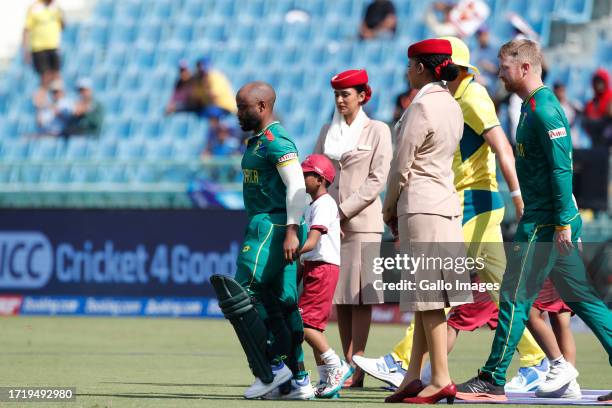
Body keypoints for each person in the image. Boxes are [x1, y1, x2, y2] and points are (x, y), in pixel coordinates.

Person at [354, 36, 548, 394]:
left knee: (433, 289)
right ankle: (537, 360)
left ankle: (406, 362)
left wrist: (518, 194)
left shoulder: (468, 98)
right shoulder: (453, 101)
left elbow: (500, 147)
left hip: (471, 201)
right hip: (456, 200)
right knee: (489, 287)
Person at [456, 39, 612, 402]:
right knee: (584, 301)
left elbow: (562, 169)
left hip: (546, 222)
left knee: (512, 297)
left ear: (525, 68)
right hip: (548, 219)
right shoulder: (530, 107)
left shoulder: (544, 110)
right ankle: (505, 375)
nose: (500, 73)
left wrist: (561, 224)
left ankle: (492, 378)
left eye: (505, 67)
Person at [210, 81, 312, 400]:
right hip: (273, 225)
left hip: (273, 224)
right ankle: (299, 379)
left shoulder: (275, 140)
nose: (238, 113)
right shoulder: (256, 141)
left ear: (262, 107)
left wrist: (292, 230)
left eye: (243, 107)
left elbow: (297, 185)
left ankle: (270, 369)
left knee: (239, 295)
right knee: (280, 302)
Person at [382, 38, 465, 404]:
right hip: (446, 206)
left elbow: (402, 165)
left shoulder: (421, 107)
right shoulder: (451, 104)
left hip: (421, 206)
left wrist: (388, 208)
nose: (406, 71)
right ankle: (413, 376)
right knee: (429, 296)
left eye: (410, 65)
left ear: (420, 68)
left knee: (428, 296)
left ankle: (440, 378)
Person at [313, 69, 392, 387]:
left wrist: (340, 212)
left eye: (346, 94)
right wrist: (324, 214)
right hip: (333, 224)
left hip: (361, 223)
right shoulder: (326, 131)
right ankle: (348, 367)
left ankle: (356, 363)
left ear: (363, 96)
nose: (340, 99)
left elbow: (377, 180)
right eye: (337, 94)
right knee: (341, 296)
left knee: (361, 296)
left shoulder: (377, 130)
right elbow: (317, 172)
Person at [297, 154, 352, 398]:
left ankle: (336, 366)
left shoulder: (324, 204)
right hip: (315, 267)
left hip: (322, 268)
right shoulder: (314, 205)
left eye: (306, 173)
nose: (301, 177)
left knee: (304, 324)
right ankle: (328, 379)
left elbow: (312, 242)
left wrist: (289, 250)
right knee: (313, 328)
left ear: (319, 179)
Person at [528, 279, 581, 398]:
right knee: (559, 318)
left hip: (546, 266)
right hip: (562, 267)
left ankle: (560, 366)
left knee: (529, 311)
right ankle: (568, 385)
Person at [23, 0, 64, 96]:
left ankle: (59, 104)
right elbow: (26, 29)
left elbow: (62, 25)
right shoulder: (34, 7)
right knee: (46, 77)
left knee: (56, 76)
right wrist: (26, 50)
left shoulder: (55, 7)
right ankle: (39, 101)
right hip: (39, 48)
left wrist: (61, 14)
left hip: (54, 46)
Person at [425, 0, 489, 39]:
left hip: (457, 32)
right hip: (451, 24)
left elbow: (465, 31)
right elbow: (457, 8)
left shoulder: (483, 9)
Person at [583, 68, 612, 147]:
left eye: (601, 82)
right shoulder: (591, 103)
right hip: (597, 142)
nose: (599, 85)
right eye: (597, 82)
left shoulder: (610, 97)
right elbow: (586, 120)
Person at [553, 82, 582, 148]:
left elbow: (584, 113)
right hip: (560, 140)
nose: (561, 92)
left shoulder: (573, 104)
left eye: (562, 90)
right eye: (558, 90)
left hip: (573, 140)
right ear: (555, 91)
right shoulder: (552, 106)